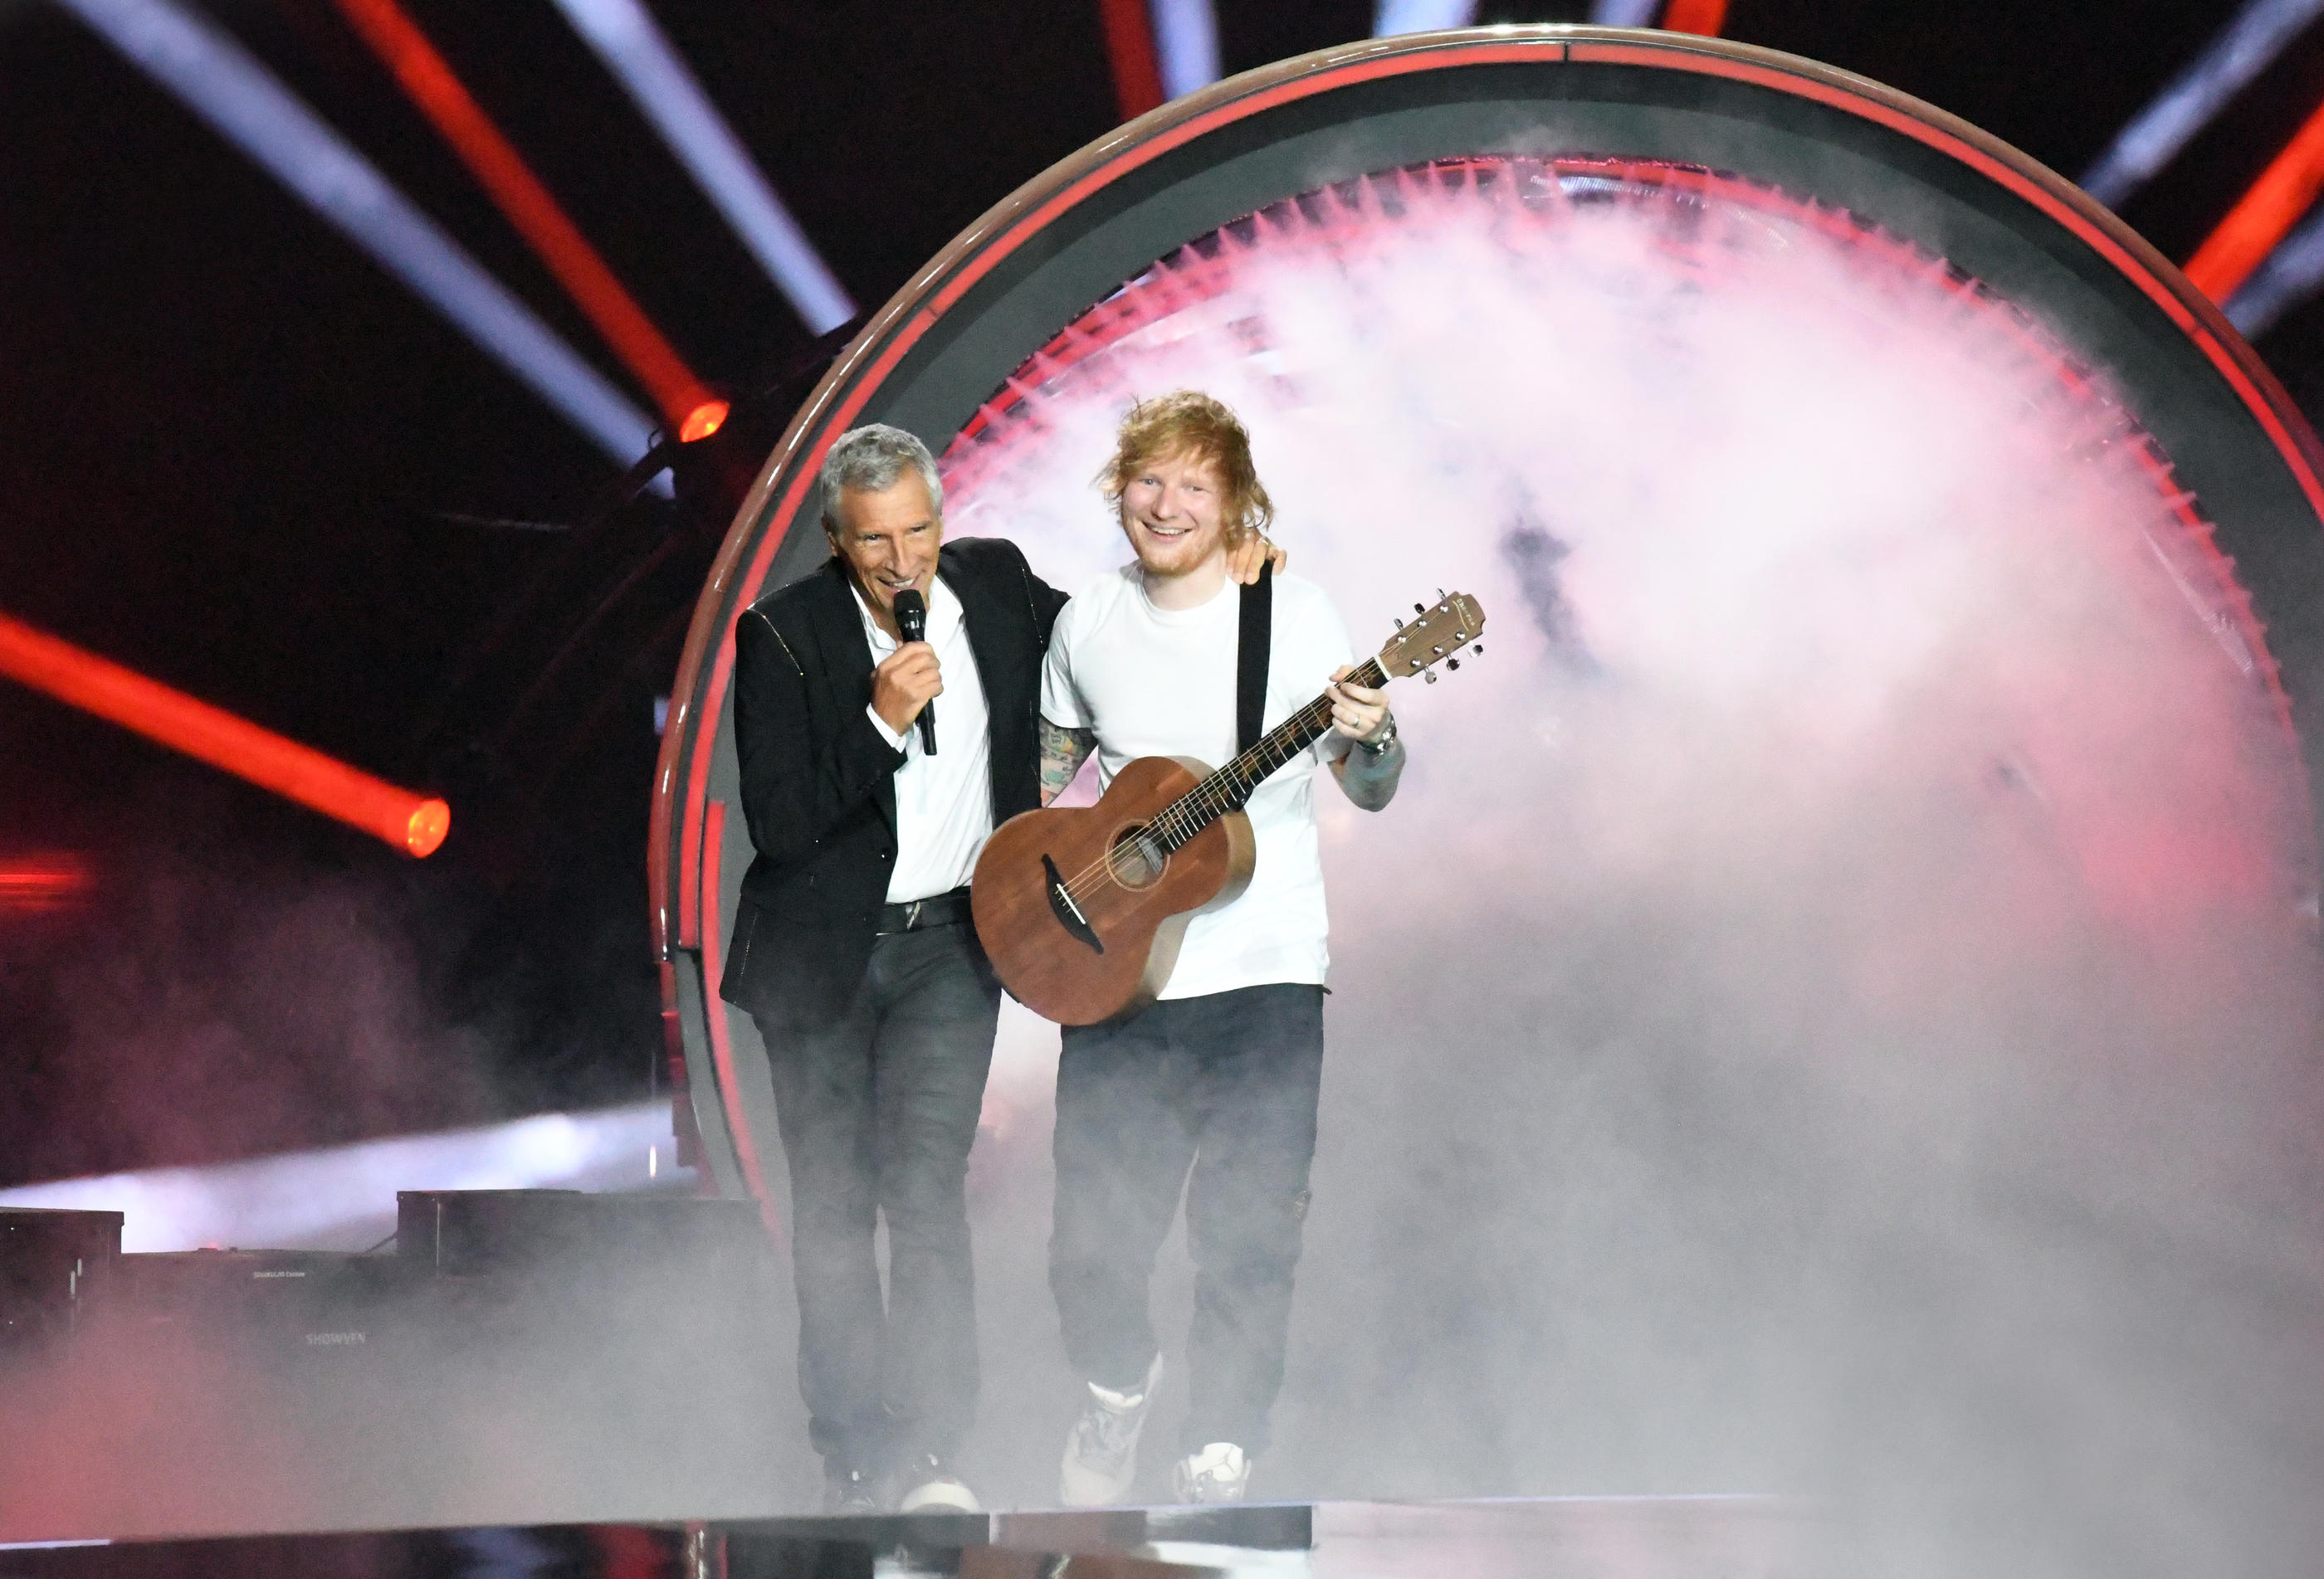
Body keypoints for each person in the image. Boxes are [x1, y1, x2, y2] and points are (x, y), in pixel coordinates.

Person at [720, 423, 1277, 1513]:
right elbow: (780, 825)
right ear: (839, 537)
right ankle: (851, 1453)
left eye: (919, 529)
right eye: (876, 541)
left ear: (942, 517)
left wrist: (1225, 575)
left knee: (925, 1195)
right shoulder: (780, 639)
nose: (903, 559)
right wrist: (881, 723)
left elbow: (1118, 641)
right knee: (835, 1211)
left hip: (950, 952)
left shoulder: (1000, 584)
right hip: (820, 963)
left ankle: (931, 1455)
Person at [1037, 391, 1405, 1506]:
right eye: (1150, 478)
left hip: (1266, 983)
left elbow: (1372, 790)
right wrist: (1047, 889)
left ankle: (1221, 1451)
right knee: (1088, 1252)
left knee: (1248, 1237)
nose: (1167, 504)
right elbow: (1047, 787)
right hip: (1119, 985)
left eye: (1195, 485)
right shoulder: (1086, 623)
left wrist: (1375, 734)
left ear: (1236, 501)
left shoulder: (1291, 613)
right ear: (1120, 489)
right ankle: (1116, 1393)